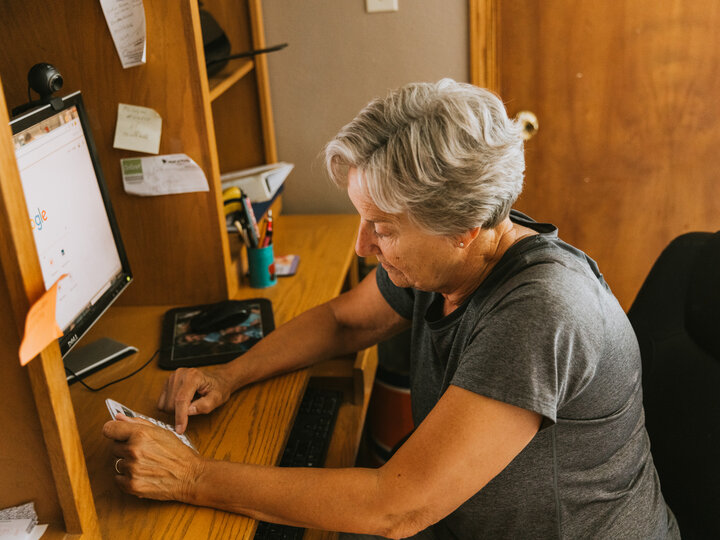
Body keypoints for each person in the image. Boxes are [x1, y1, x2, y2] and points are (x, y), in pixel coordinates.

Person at [103, 79, 679, 539]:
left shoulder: (542, 312)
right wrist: (228, 374)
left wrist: (194, 476)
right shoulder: (450, 259)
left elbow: (397, 507)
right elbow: (342, 321)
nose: (362, 246)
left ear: (463, 227)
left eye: (382, 227)